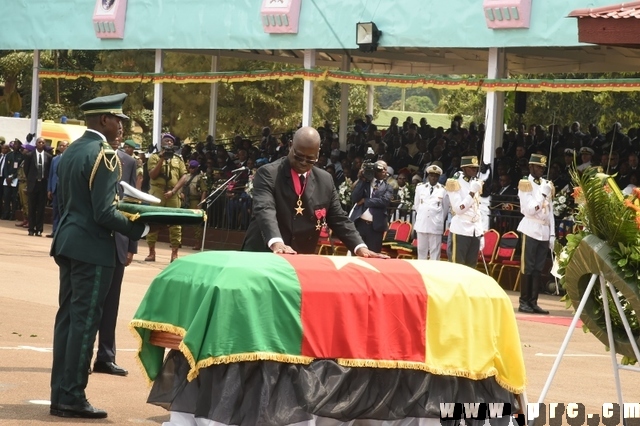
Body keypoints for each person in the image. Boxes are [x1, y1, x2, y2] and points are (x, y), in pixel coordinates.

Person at [49, 93, 150, 419]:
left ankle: (60, 393)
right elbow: (105, 213)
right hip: (93, 248)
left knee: (67, 319)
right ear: (104, 120)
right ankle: (73, 396)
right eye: (118, 120)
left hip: (69, 242)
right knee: (85, 321)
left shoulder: (74, 149)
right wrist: (140, 229)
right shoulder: (105, 156)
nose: (121, 126)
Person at [242, 126, 385, 258]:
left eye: (311, 158)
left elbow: (339, 218)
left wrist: (360, 247)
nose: (303, 162)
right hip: (263, 254)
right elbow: (265, 209)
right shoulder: (268, 173)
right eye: (299, 156)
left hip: (300, 257)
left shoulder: (325, 180)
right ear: (291, 145)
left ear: (318, 153)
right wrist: (276, 243)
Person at [92, 130, 139, 378]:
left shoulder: (129, 161)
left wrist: (132, 245)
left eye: (122, 130)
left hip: (119, 242)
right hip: (93, 240)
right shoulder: (91, 156)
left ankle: (106, 357)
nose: (119, 134)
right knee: (89, 303)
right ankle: (81, 356)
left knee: (111, 305)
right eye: (115, 128)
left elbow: (134, 203)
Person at [517, 154, 554, 315]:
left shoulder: (546, 184)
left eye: (543, 168)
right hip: (530, 228)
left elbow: (550, 211)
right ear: (531, 167)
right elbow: (530, 209)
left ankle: (533, 302)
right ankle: (524, 301)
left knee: (538, 268)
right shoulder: (526, 184)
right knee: (528, 267)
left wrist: (552, 234)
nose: (541, 170)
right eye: (538, 167)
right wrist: (543, 195)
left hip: (544, 231)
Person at [144, 133, 188, 262]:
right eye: (166, 140)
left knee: (175, 223)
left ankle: (174, 253)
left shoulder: (178, 159)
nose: (168, 143)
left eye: (170, 141)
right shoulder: (154, 157)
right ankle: (151, 252)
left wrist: (174, 191)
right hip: (157, 193)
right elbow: (152, 175)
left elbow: (184, 176)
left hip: (173, 194)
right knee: (154, 221)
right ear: (162, 143)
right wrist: (162, 159)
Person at [445, 155, 484, 268]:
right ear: (463, 168)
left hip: (474, 230)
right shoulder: (455, 182)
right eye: (471, 168)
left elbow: (477, 209)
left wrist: (481, 233)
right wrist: (472, 193)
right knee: (458, 266)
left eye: (476, 168)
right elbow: (458, 209)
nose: (474, 170)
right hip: (461, 229)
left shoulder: (475, 182)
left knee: (471, 266)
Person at [349, 161, 394, 252]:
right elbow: (355, 197)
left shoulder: (388, 187)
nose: (383, 171)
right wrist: (362, 179)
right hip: (360, 224)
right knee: (357, 253)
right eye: (380, 168)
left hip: (376, 227)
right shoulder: (365, 182)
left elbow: (384, 201)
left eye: (385, 169)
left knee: (373, 254)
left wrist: (366, 201)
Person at [413, 165, 449, 260]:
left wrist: (438, 219)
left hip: (435, 224)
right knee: (421, 250)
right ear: (428, 176)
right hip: (422, 223)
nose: (433, 178)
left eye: (436, 176)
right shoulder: (420, 187)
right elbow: (417, 205)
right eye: (431, 175)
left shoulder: (443, 190)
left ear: (438, 177)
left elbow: (445, 209)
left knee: (435, 251)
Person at [24, 137, 52, 236]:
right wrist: (31, 180)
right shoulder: (29, 155)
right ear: (36, 143)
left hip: (43, 185)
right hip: (33, 184)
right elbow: (26, 170)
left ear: (45, 144)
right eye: (39, 142)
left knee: (41, 208)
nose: (41, 144)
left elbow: (49, 171)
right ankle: (31, 228)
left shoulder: (48, 156)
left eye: (43, 142)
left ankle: (39, 229)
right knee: (32, 207)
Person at [183, 159, 208, 250]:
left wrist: (201, 203)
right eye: (190, 167)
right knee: (181, 220)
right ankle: (178, 241)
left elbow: (204, 191)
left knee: (196, 222)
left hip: (195, 200)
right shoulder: (186, 176)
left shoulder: (200, 177)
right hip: (186, 199)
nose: (191, 169)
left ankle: (197, 243)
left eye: (193, 168)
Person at [46, 140, 69, 238]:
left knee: (63, 211)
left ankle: (62, 232)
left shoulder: (70, 159)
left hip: (66, 189)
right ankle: (54, 231)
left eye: (64, 146)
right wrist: (49, 189)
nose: (62, 147)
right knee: (55, 211)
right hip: (55, 188)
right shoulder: (55, 159)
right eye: (61, 145)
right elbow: (51, 174)